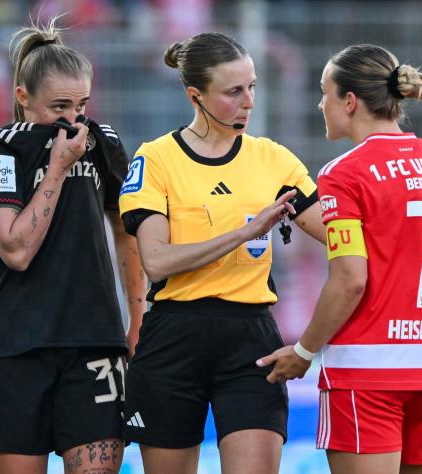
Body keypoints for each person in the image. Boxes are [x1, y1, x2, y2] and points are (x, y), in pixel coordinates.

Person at [258, 44, 422, 474]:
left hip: (366, 371)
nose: (320, 103)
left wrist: (305, 352)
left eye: (324, 92)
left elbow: (350, 280)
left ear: (350, 101)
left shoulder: (343, 174)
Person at [118, 32, 325, 474]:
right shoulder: (155, 159)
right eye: (233, 92)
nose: (248, 101)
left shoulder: (273, 159)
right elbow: (156, 260)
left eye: (252, 86)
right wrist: (247, 231)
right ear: (196, 96)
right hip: (175, 336)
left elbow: (334, 232)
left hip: (249, 341)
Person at [0, 16, 146, 474]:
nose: (73, 118)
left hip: (94, 343)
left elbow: (127, 229)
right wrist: (58, 168)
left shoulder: (102, 142)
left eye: (81, 103)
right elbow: (15, 250)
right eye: (59, 106)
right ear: (23, 97)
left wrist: (138, 319)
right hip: (14, 343)